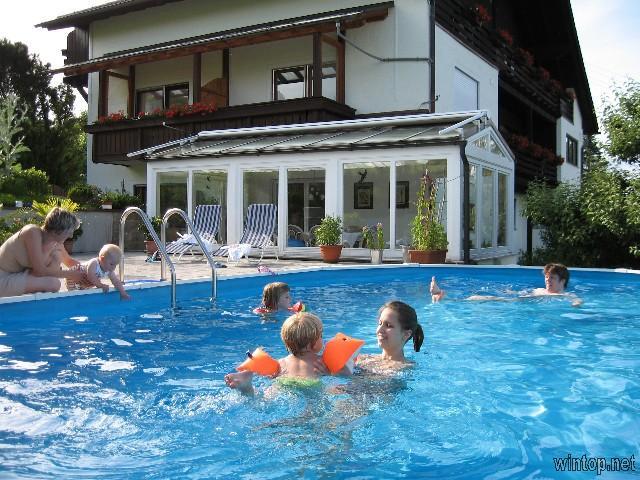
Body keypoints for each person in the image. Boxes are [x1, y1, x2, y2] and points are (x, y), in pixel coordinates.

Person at [224, 311, 326, 395]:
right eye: (321, 336)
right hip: (310, 385)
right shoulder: (321, 362)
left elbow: (271, 375)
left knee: (265, 399)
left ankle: (247, 388)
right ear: (314, 342)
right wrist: (329, 374)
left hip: (284, 383)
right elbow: (335, 374)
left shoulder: (280, 363)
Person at [0, 207, 86, 298]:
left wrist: (88, 271)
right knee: (53, 284)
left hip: (17, 276)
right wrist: (70, 274)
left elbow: (69, 261)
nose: (71, 236)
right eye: (70, 231)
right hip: (3, 277)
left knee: (56, 256)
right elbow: (40, 271)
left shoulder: (55, 243)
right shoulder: (32, 232)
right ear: (59, 230)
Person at [431, 263, 582, 306]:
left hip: (522, 305)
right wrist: (510, 292)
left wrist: (576, 303)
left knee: (482, 299)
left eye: (552, 278)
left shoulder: (565, 295)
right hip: (517, 302)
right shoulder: (539, 290)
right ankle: (443, 296)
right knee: (478, 298)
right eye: (547, 277)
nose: (547, 280)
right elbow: (522, 294)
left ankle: (443, 297)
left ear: (562, 281)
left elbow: (576, 299)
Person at [353, 301, 424, 372]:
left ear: (406, 334)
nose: (379, 330)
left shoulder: (404, 368)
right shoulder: (363, 358)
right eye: (380, 323)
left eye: (388, 325)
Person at [65, 244, 130, 300]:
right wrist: (101, 285)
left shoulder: (109, 269)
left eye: (115, 265)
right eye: (111, 264)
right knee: (74, 294)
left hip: (84, 282)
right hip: (73, 277)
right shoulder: (94, 263)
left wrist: (123, 293)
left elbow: (116, 281)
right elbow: (91, 277)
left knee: (83, 293)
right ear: (102, 259)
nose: (113, 267)